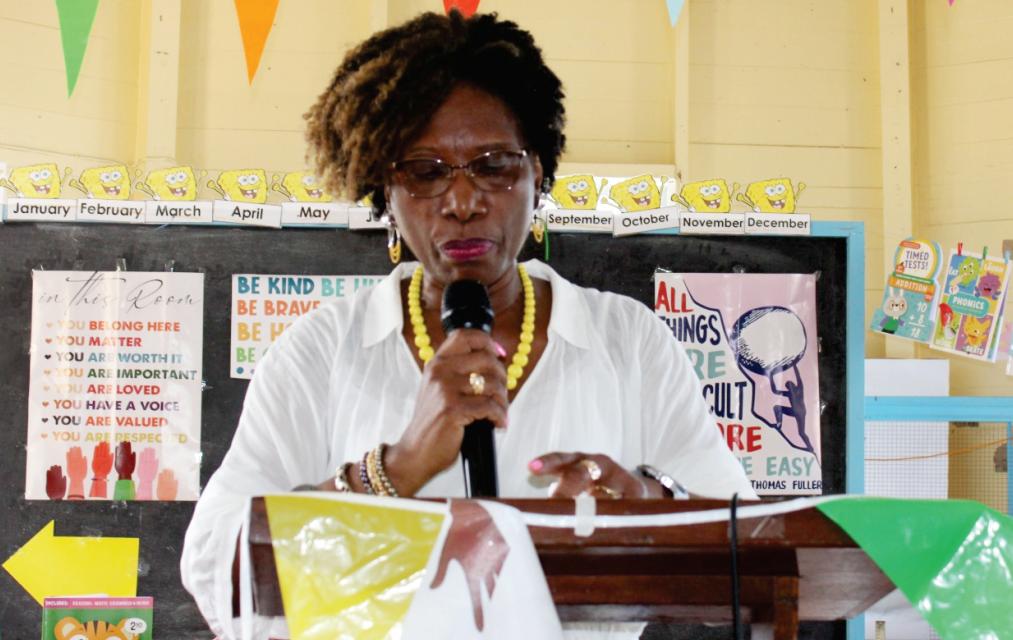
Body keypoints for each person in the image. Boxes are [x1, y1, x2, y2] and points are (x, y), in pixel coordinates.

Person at [181, 10, 755, 639]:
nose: (462, 201)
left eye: (494, 164)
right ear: (385, 193)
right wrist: (395, 469)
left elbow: (750, 557)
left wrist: (648, 508)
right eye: (425, 172)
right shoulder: (320, 353)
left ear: (538, 173)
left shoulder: (629, 342)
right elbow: (214, 570)